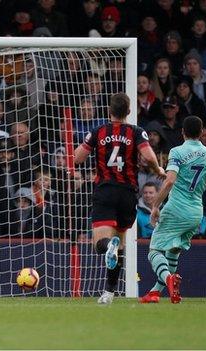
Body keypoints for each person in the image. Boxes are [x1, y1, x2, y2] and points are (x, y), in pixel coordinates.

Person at [74, 92, 165, 305]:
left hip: (105, 191)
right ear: (129, 112)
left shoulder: (98, 131)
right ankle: (109, 292)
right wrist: (156, 168)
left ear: (109, 111)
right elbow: (149, 156)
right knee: (120, 244)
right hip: (128, 194)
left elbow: (78, 158)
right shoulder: (136, 132)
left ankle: (109, 257)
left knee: (100, 245)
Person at [140, 116, 206, 304]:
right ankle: (156, 292)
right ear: (201, 134)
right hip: (196, 212)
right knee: (173, 250)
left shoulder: (177, 152)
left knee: (154, 251)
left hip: (176, 209)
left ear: (183, 132)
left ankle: (168, 279)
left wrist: (155, 205)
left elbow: (170, 180)